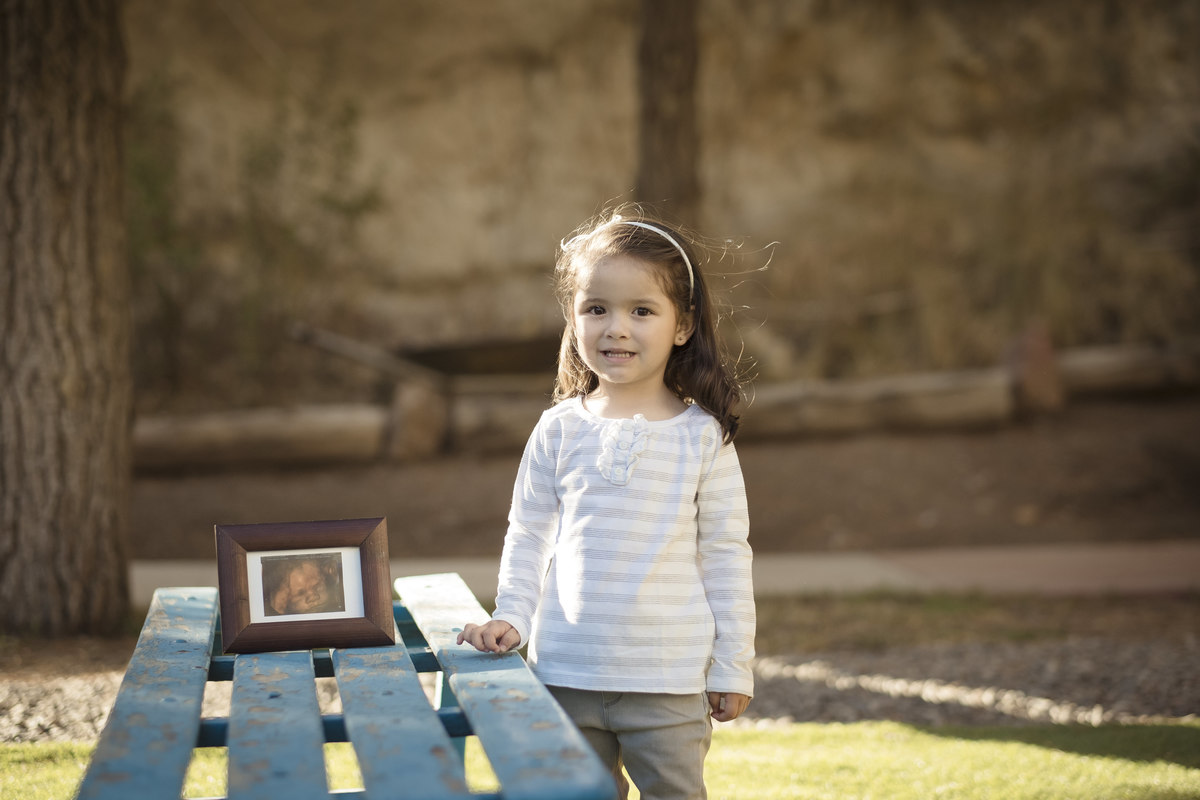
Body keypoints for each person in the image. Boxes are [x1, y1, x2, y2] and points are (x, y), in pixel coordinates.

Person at [458, 207, 755, 800]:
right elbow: (528, 533)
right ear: (573, 320)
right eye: (597, 309)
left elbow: (726, 554)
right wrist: (513, 616)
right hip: (566, 669)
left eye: (641, 311)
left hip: (666, 679)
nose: (616, 327)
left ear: (682, 325)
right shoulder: (557, 428)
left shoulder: (702, 435)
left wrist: (732, 665)